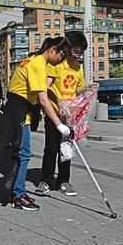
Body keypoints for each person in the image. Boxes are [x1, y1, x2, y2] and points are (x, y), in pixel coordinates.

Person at [0, 37, 72, 211]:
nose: (61, 61)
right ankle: (19, 196)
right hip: (18, 114)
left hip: (17, 111)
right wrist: (59, 125)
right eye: (62, 56)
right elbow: (42, 98)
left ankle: (16, 191)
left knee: (20, 153)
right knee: (24, 154)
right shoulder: (38, 64)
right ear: (53, 49)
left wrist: (58, 102)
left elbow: (45, 91)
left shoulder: (32, 60)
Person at [36, 31, 96, 197]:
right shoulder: (57, 63)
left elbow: (76, 88)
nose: (77, 55)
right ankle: (45, 180)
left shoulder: (79, 67)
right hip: (54, 113)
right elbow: (46, 87)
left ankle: (63, 181)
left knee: (66, 149)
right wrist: (59, 102)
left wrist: (87, 88)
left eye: (80, 52)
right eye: (75, 51)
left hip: (70, 114)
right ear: (68, 48)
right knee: (51, 148)